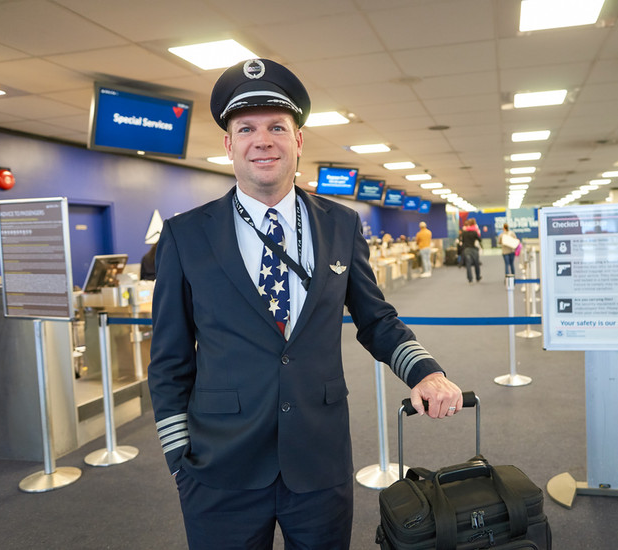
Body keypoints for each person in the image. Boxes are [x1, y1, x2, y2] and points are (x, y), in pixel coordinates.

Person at [147, 58, 463, 550]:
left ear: (298, 141)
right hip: (219, 468)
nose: (263, 139)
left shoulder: (340, 224)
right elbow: (169, 360)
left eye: (278, 126)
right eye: (246, 128)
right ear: (229, 144)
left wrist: (425, 371)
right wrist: (179, 461)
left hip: (318, 460)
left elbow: (376, 318)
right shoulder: (185, 235)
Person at [460, 218, 482, 284]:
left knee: (468, 265)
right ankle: (477, 277)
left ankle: (470, 279)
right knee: (476, 264)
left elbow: (462, 241)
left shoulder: (464, 233)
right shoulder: (474, 232)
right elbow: (479, 240)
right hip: (474, 250)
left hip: (467, 250)